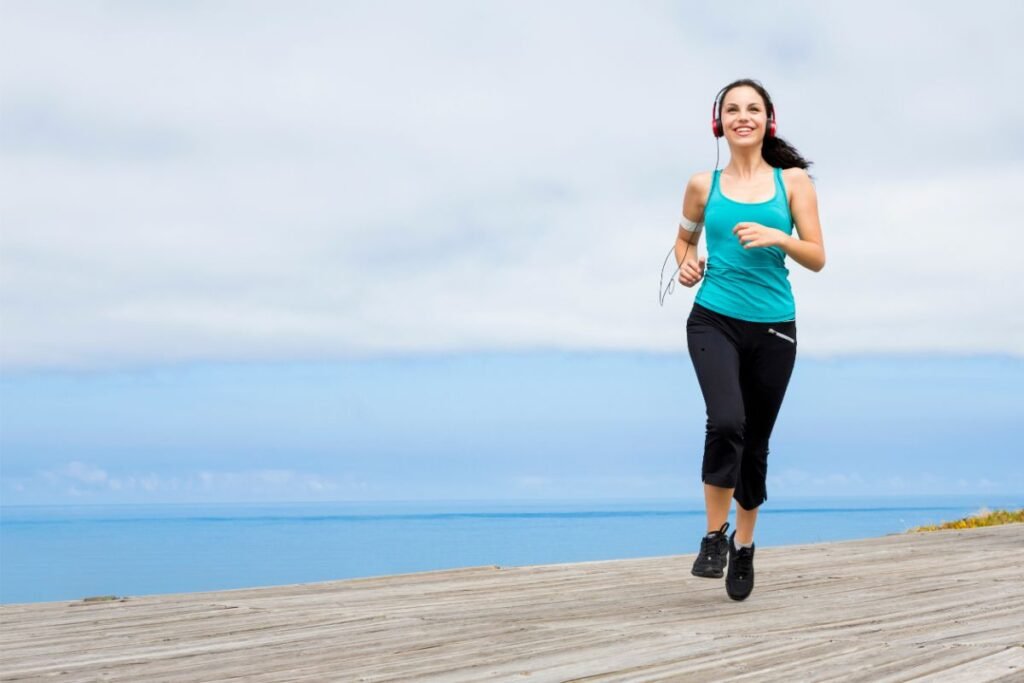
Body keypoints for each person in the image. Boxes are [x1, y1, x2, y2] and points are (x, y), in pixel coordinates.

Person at [675, 78, 825, 601]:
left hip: (775, 327)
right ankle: (713, 537)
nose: (743, 116)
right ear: (719, 123)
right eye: (733, 109)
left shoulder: (794, 183)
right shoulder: (702, 184)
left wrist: (779, 236)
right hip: (713, 318)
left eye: (753, 109)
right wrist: (687, 263)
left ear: (768, 120)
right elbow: (683, 238)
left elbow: (817, 256)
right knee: (727, 422)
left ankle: (745, 545)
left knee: (755, 442)